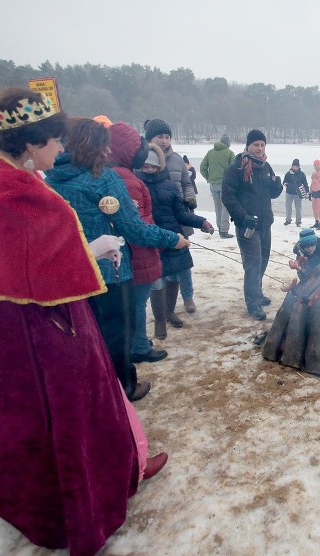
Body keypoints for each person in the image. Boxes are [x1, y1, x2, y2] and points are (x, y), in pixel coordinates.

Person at [0, 86, 168, 556]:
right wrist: (94, 250)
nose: (61, 149)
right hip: (42, 327)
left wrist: (83, 250)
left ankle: (117, 470)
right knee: (72, 411)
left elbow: (23, 256)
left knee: (65, 406)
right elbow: (33, 265)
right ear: (30, 142)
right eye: (54, 141)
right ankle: (80, 507)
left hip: (28, 318)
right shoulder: (12, 190)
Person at [46, 117, 187, 402]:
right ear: (94, 147)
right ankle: (123, 387)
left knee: (87, 333)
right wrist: (174, 239)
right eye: (104, 146)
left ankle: (94, 385)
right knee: (114, 333)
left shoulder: (52, 178)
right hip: (110, 270)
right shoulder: (104, 178)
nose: (109, 152)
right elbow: (132, 227)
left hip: (71, 270)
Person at [107, 120, 170, 363]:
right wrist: (167, 239)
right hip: (137, 254)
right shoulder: (127, 181)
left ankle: (137, 342)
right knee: (138, 304)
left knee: (134, 303)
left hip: (129, 254)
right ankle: (140, 346)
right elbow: (138, 226)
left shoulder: (115, 175)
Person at [138, 144, 214, 337]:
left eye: (152, 166)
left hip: (174, 238)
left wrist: (202, 222)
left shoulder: (170, 186)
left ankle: (170, 312)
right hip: (153, 241)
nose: (149, 169)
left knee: (174, 277)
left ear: (159, 166)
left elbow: (181, 214)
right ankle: (160, 321)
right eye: (145, 166)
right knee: (157, 281)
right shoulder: (138, 186)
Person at [221, 129, 283, 320]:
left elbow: (271, 194)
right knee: (253, 264)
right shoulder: (237, 168)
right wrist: (243, 216)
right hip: (247, 225)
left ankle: (257, 292)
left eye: (262, 145)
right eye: (256, 144)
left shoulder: (265, 166)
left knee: (263, 261)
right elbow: (228, 197)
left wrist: (277, 187)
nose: (259, 148)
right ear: (248, 146)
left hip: (265, 224)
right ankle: (253, 303)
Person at [144, 118, 200, 314]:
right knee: (163, 265)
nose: (164, 140)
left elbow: (187, 183)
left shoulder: (177, 159)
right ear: (150, 137)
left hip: (180, 215)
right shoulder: (142, 160)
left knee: (183, 262)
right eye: (160, 136)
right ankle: (167, 307)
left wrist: (190, 198)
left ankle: (188, 297)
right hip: (157, 219)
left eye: (167, 137)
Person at [200, 133, 236, 238]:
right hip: (224, 184)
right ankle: (224, 231)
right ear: (228, 143)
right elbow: (233, 169)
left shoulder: (210, 153)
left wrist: (208, 177)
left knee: (218, 207)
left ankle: (220, 228)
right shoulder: (229, 153)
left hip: (213, 183)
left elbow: (202, 167)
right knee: (226, 207)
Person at [282, 158, 309, 226]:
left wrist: (307, 192)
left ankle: (298, 221)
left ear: (298, 167)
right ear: (292, 166)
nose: (295, 167)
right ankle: (288, 220)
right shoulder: (288, 174)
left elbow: (305, 184)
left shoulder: (302, 174)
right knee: (288, 207)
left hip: (298, 194)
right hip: (289, 193)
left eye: (296, 166)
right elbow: (284, 182)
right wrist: (286, 184)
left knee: (298, 208)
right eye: (294, 166)